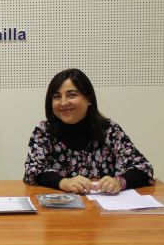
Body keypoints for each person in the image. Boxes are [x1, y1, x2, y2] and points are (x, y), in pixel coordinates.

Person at [24, 68, 154, 194]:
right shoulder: (44, 131)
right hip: (58, 209)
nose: (63, 102)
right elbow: (32, 171)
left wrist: (119, 182)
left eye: (72, 95)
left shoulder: (109, 131)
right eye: (57, 97)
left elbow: (143, 168)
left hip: (102, 210)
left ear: (89, 98)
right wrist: (63, 182)